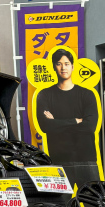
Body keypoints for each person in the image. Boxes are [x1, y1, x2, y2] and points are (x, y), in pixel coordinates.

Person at [35, 49, 99, 185]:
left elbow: (89, 127)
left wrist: (56, 123)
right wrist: (76, 121)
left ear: (72, 66)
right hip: (59, 161)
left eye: (66, 64)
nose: (63, 67)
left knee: (93, 198)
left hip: (86, 160)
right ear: (54, 67)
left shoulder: (87, 94)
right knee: (61, 200)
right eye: (59, 64)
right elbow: (45, 126)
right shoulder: (45, 95)